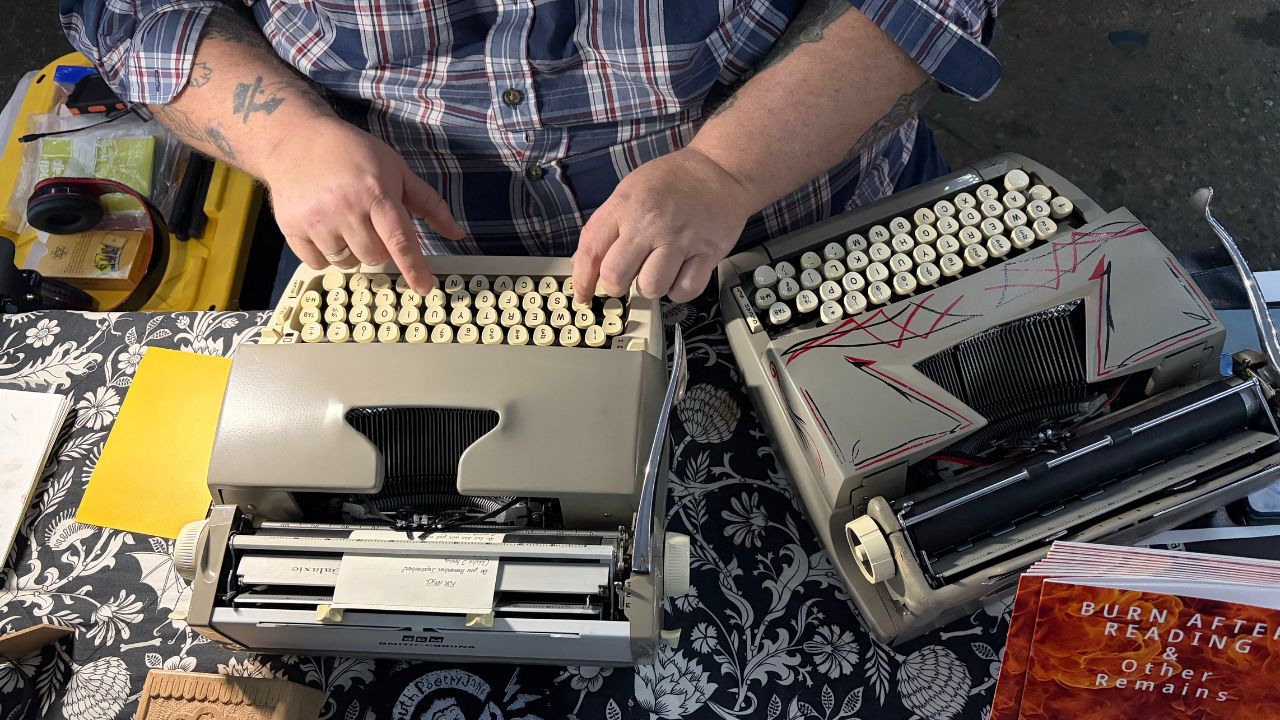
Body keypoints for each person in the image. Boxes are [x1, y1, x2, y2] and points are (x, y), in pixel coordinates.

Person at [60, 0, 1000, 304]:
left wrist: (727, 172)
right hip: (415, 277)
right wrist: (286, 138)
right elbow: (140, 11)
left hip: (801, 244)